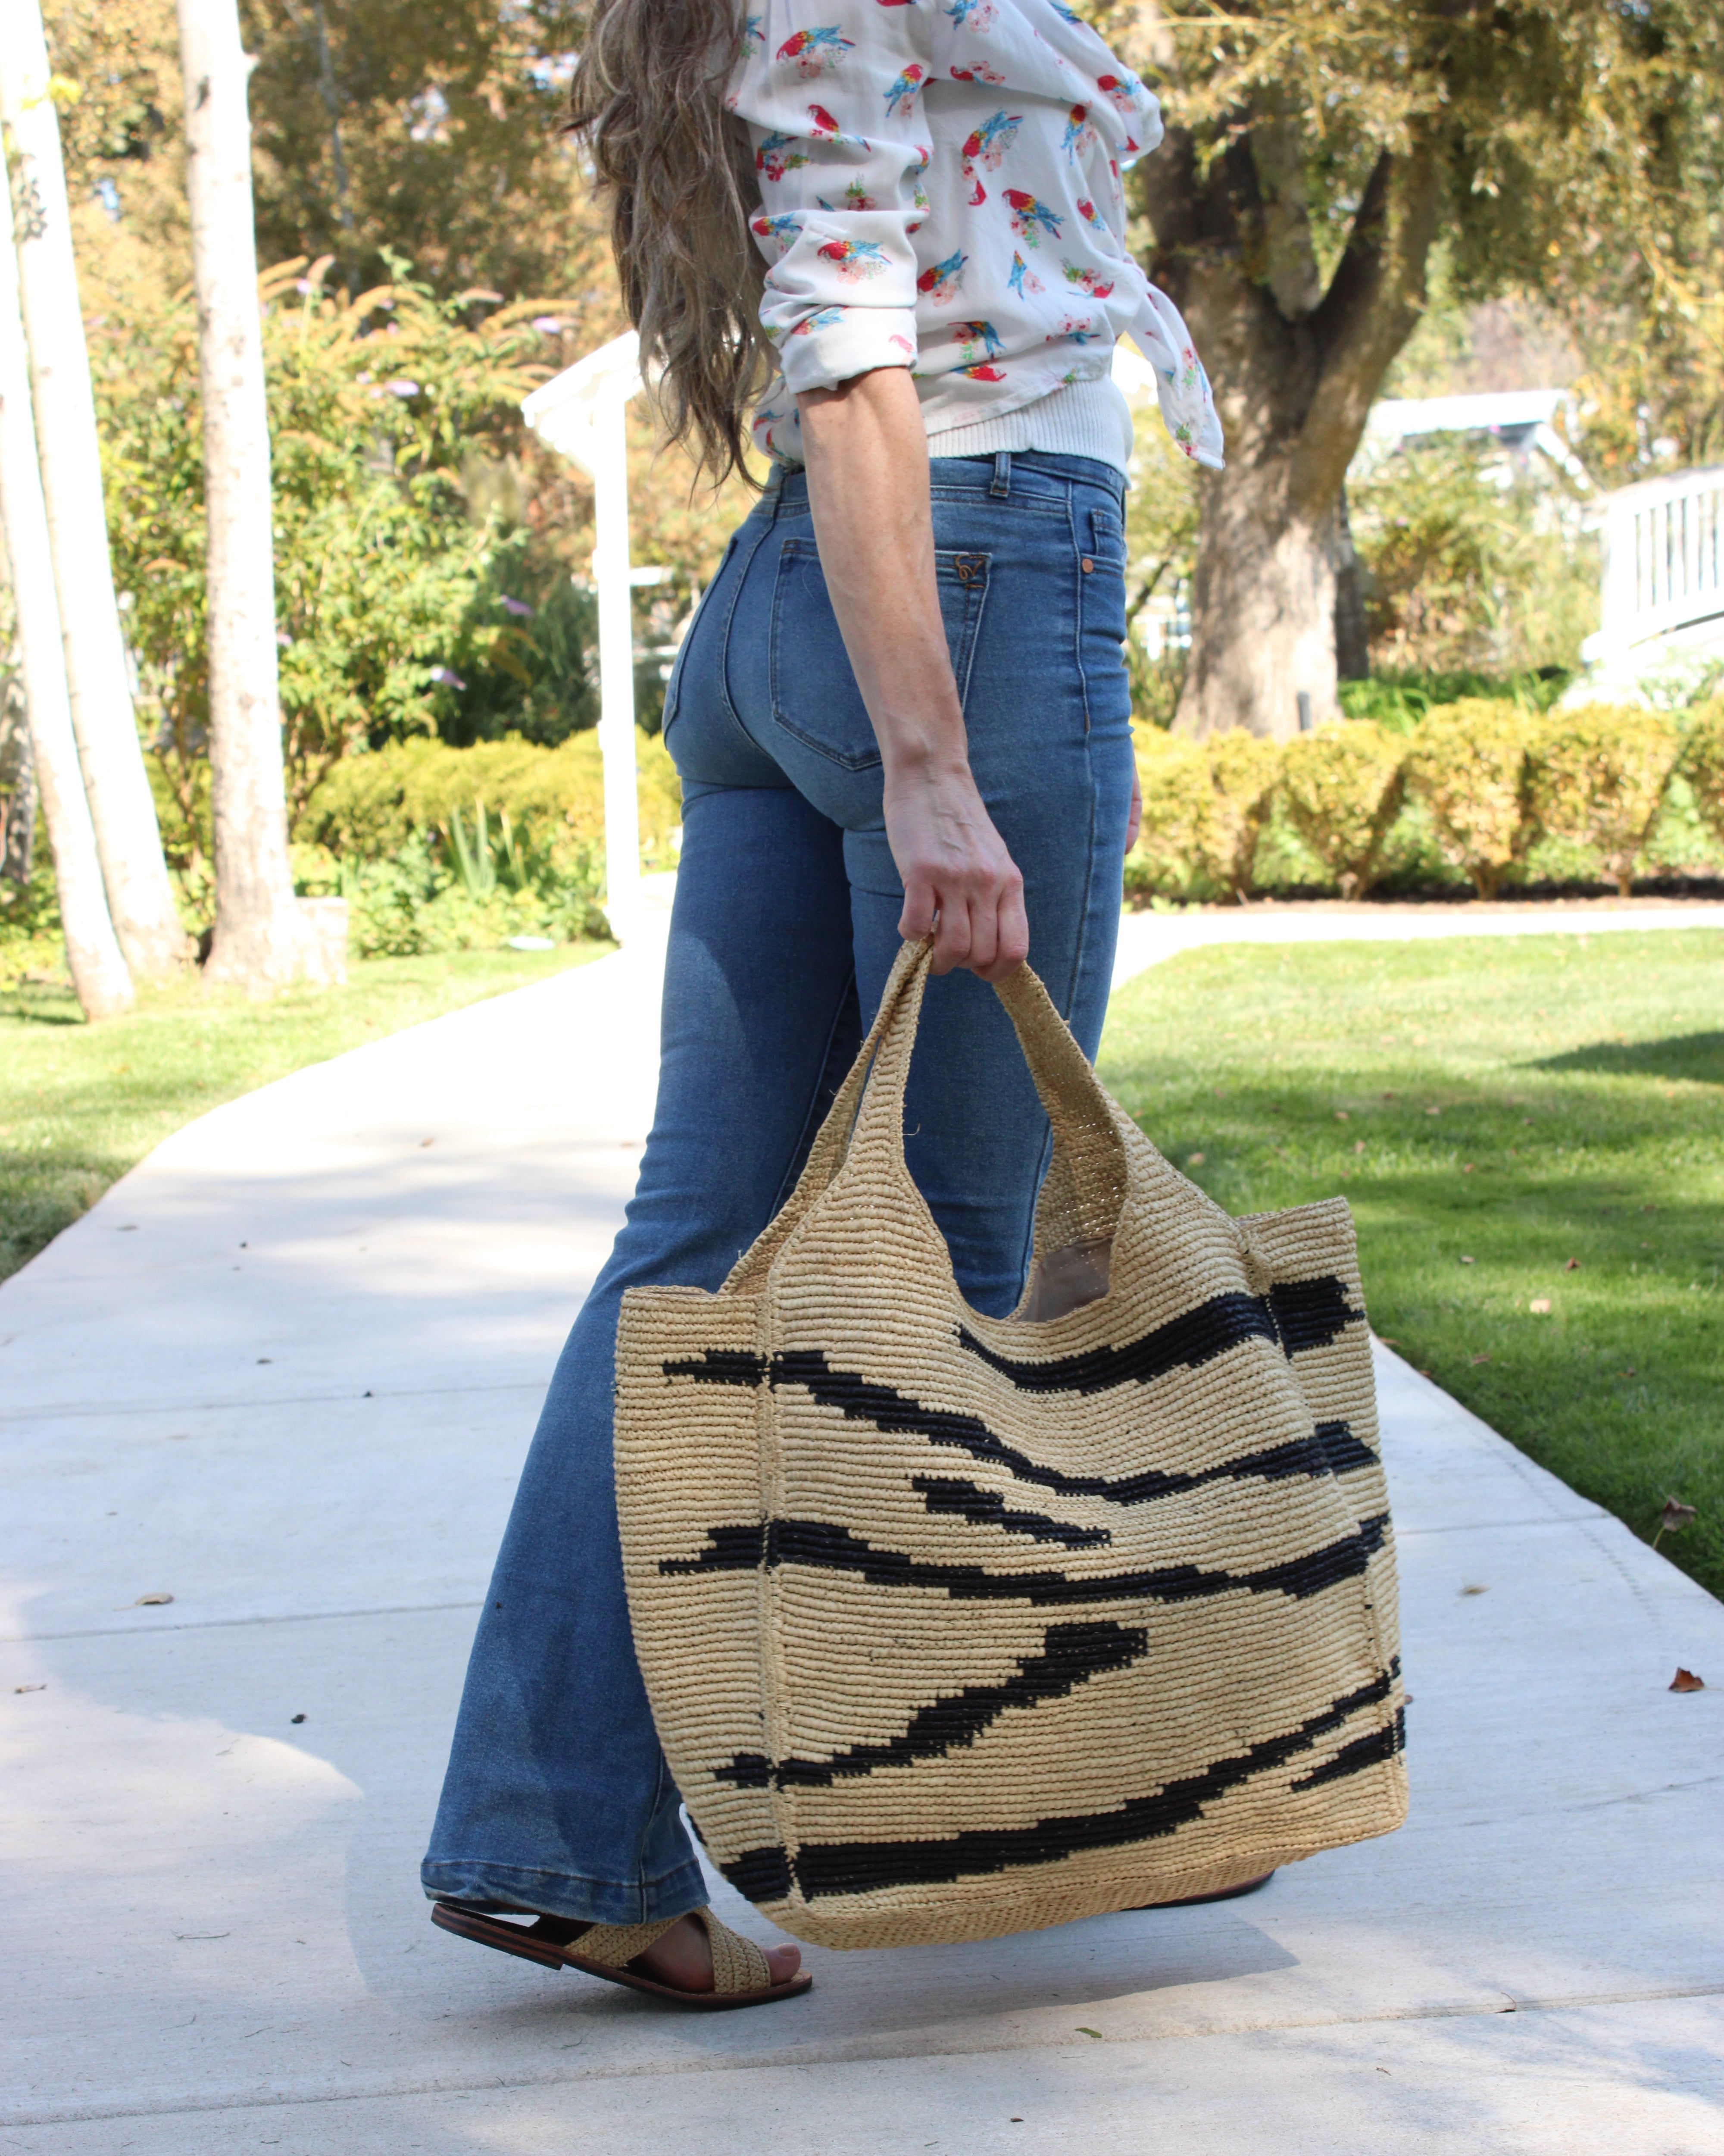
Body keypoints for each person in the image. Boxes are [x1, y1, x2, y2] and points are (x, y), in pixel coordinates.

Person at [422, 0, 1222, 2009]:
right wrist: (937, 767)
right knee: (949, 1246)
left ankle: (559, 1830)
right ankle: (1030, 1798)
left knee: (697, 1253)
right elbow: (856, 344)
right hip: (949, 574)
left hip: (795, 596)